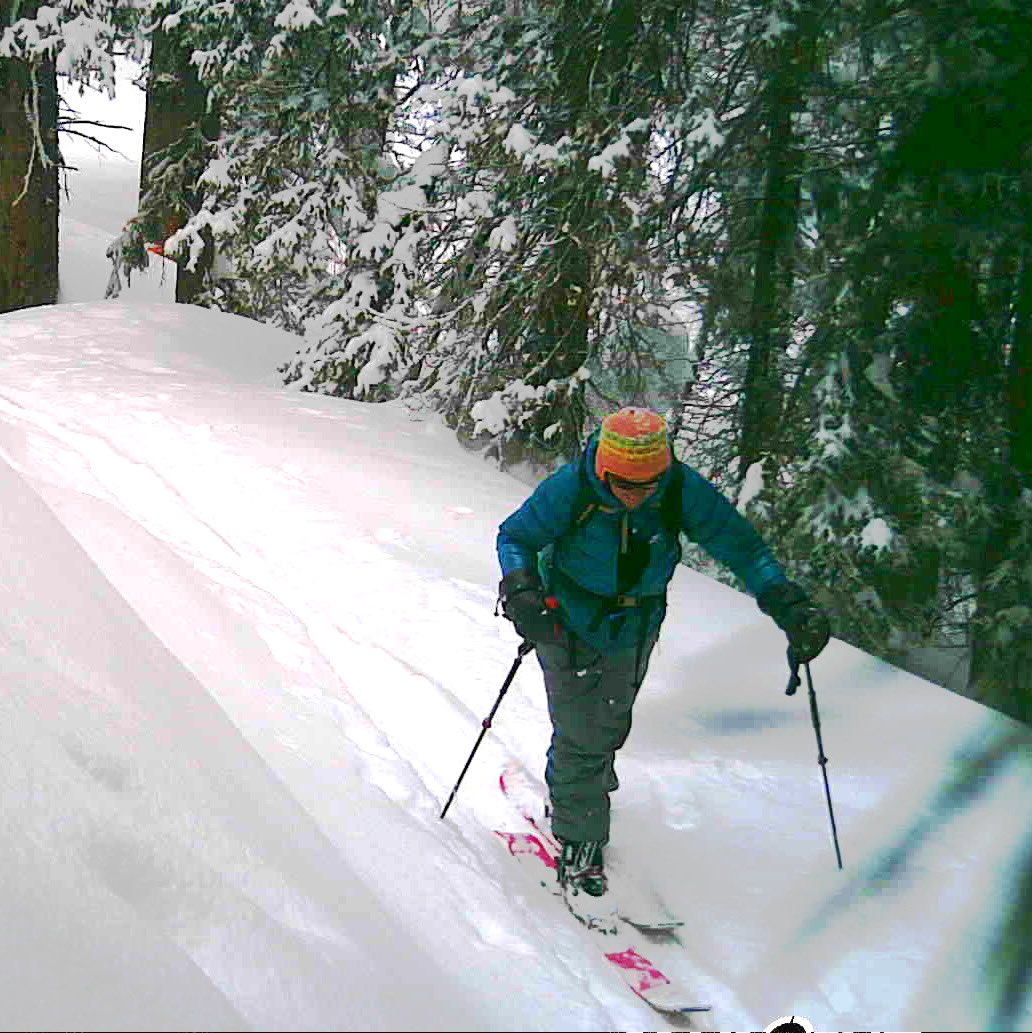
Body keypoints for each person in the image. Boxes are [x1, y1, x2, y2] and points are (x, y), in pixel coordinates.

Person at [496, 407, 830, 897]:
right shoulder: (573, 487)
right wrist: (523, 589)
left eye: (648, 484)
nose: (638, 495)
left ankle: (572, 791)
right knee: (585, 730)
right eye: (625, 486)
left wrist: (786, 601)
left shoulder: (675, 486)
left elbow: (741, 546)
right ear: (604, 470)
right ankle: (580, 843)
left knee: (608, 720)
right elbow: (515, 535)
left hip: (637, 623)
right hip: (565, 618)